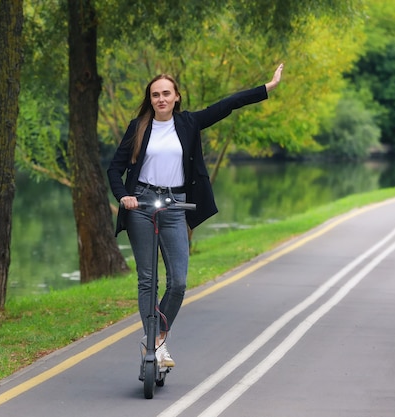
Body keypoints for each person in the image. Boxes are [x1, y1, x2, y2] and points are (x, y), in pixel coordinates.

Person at [107, 63, 284, 367]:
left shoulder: (188, 123)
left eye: (166, 93)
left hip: (175, 205)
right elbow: (114, 168)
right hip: (142, 204)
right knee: (148, 280)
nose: (160, 99)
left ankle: (159, 334)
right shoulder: (138, 127)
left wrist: (267, 88)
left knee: (178, 282)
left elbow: (227, 105)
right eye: (155, 95)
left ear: (176, 97)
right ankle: (153, 343)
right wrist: (124, 195)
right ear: (150, 99)